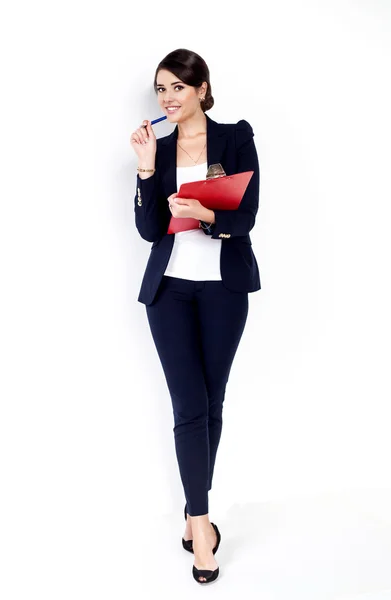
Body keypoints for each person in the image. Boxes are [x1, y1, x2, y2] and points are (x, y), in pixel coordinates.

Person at [130, 48, 261, 584]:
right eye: (161, 90)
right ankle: (201, 523)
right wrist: (144, 172)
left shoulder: (236, 137)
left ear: (202, 89)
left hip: (224, 289)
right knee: (188, 405)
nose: (168, 98)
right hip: (171, 291)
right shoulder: (157, 149)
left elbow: (247, 216)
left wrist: (206, 213)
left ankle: (192, 510)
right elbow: (146, 231)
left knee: (212, 402)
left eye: (178, 88)